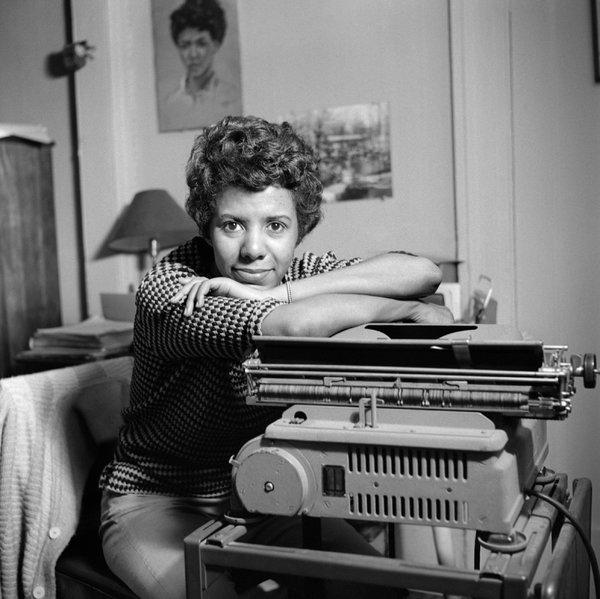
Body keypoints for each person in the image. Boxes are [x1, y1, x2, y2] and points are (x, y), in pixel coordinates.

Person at [99, 115, 453, 599]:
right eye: (232, 225)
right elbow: (295, 327)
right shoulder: (172, 285)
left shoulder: (296, 276)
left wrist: (288, 290)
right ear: (206, 224)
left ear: (300, 229)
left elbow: (423, 272)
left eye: (276, 226)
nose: (253, 249)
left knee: (382, 592)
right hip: (156, 502)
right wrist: (406, 311)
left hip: (265, 498)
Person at [161, 0, 242, 131]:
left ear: (216, 44)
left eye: (201, 43)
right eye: (185, 45)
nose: (193, 54)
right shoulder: (170, 103)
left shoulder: (232, 98)